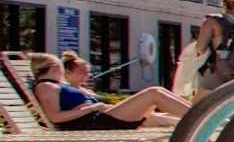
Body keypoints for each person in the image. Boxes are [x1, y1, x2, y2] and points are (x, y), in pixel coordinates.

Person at [29, 54, 185, 129]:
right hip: (94, 122)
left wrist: (90, 105)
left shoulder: (59, 85)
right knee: (153, 93)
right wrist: (92, 107)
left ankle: (201, 116)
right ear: (55, 67)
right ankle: (203, 118)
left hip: (101, 117)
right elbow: (55, 117)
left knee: (156, 91)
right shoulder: (45, 87)